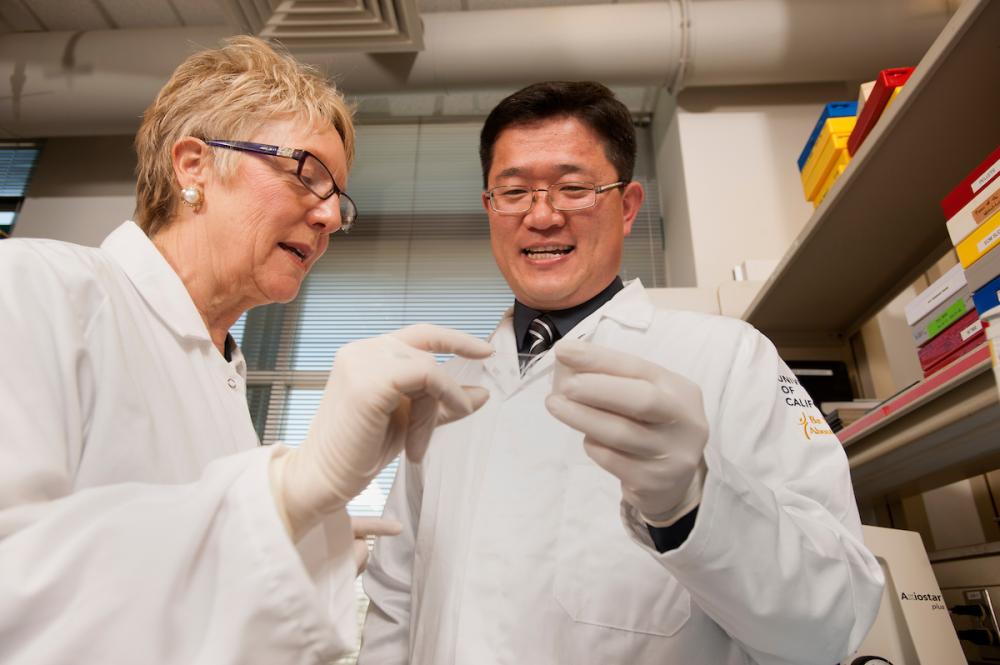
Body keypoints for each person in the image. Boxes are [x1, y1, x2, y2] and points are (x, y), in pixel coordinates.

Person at [0, 37, 492, 664]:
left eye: (337, 195)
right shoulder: (33, 288)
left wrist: (301, 545)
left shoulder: (224, 378)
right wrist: (283, 497)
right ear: (193, 166)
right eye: (306, 174)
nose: (331, 218)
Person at [360, 81, 885, 665]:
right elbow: (395, 599)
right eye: (513, 191)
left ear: (628, 206)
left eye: (573, 188)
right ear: (490, 208)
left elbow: (831, 623)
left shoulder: (731, 358)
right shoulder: (444, 389)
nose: (541, 216)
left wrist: (694, 505)